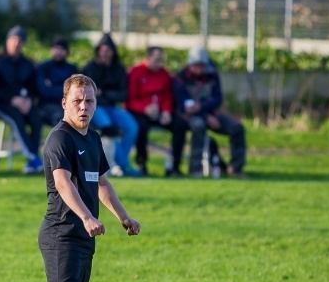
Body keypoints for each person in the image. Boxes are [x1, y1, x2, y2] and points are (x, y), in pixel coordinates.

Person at [25, 74, 141, 282]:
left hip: (83, 235)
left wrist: (123, 217)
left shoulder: (93, 138)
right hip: (61, 233)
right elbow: (63, 184)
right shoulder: (60, 139)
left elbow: (102, 183)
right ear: (65, 103)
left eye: (89, 101)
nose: (83, 107)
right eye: (77, 101)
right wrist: (88, 216)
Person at [173, 47, 246, 177]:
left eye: (202, 66)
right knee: (198, 126)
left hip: (211, 113)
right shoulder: (180, 78)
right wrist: (205, 116)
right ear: (190, 65)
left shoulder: (212, 76)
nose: (199, 69)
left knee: (237, 128)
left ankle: (235, 168)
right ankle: (195, 169)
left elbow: (217, 99)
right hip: (189, 116)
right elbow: (181, 104)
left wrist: (202, 108)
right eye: (196, 66)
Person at [82, 33, 140, 178]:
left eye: (108, 50)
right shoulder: (89, 68)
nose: (105, 53)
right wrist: (102, 95)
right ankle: (122, 165)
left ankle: (122, 162)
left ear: (113, 52)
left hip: (112, 107)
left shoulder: (119, 69)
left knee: (132, 126)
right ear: (98, 51)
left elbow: (123, 95)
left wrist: (104, 93)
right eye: (102, 50)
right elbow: (87, 94)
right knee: (108, 127)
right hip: (95, 108)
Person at [126, 46, 188, 177]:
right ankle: (142, 163)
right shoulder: (135, 72)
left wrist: (166, 111)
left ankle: (174, 166)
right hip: (141, 112)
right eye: (156, 60)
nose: (159, 63)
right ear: (147, 58)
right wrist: (145, 108)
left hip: (160, 112)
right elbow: (130, 99)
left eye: (161, 60)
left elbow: (167, 96)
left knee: (181, 125)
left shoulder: (164, 74)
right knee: (140, 126)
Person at [0, 25, 44, 174]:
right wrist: (12, 99)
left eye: (20, 40)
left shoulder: (27, 64)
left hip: (24, 103)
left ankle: (32, 161)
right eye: (13, 39)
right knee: (16, 120)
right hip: (2, 103)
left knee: (36, 118)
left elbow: (33, 87)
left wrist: (28, 100)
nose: (16, 43)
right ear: (7, 41)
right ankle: (33, 158)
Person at [36, 37, 78, 127]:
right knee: (62, 119)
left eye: (61, 49)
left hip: (68, 105)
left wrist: (53, 87)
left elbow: (76, 91)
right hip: (46, 105)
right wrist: (66, 89)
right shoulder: (42, 67)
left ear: (66, 51)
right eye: (56, 48)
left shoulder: (72, 69)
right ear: (51, 50)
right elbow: (44, 91)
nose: (58, 52)